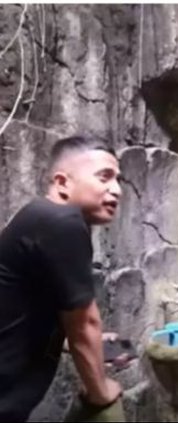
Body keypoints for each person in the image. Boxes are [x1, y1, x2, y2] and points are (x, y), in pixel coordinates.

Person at [0, 135, 124, 422]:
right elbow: (84, 323)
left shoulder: (38, 216)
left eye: (118, 179)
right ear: (62, 183)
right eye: (104, 177)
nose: (116, 189)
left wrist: (73, 342)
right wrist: (101, 392)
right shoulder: (62, 223)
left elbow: (25, 309)